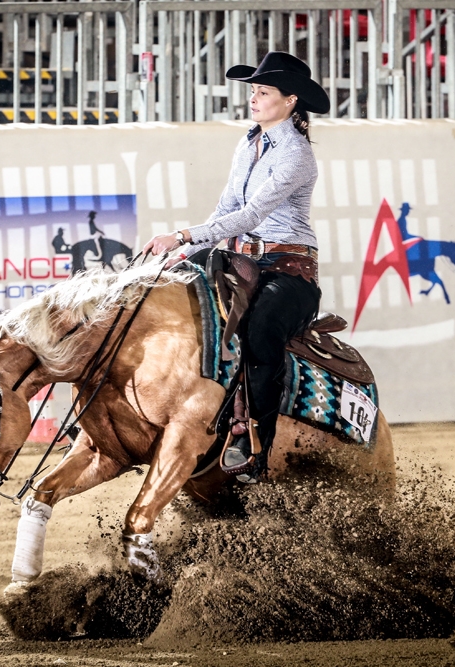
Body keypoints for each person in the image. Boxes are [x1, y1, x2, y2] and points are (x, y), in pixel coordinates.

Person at [142, 51, 330, 484]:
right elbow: (227, 208)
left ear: (290, 101)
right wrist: (186, 251)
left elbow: (249, 214)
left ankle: (256, 446)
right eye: (253, 91)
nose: (254, 98)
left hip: (290, 269)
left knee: (261, 330)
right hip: (241, 256)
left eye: (264, 92)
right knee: (169, 290)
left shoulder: (297, 155)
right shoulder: (248, 143)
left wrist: (184, 235)